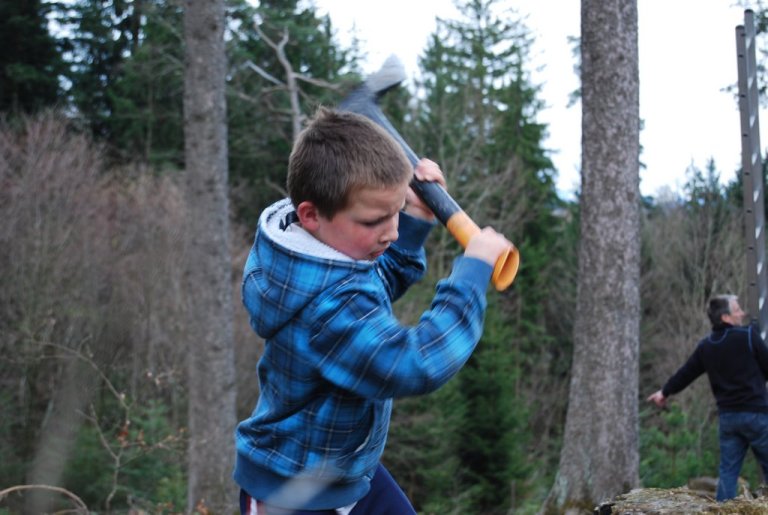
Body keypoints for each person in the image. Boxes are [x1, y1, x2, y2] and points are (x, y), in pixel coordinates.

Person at [233, 107, 512, 515]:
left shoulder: (319, 253)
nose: (392, 231)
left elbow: (376, 281)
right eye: (375, 220)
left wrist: (417, 215)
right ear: (311, 214)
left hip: (346, 470)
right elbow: (416, 362)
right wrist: (471, 276)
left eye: (396, 212)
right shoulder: (328, 306)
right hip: (293, 494)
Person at [647, 294, 768, 501]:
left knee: (728, 473)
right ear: (726, 318)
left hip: (729, 419)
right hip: (756, 415)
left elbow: (686, 373)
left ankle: (724, 511)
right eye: (737, 309)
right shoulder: (748, 336)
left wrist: (664, 392)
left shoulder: (707, 346)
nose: (743, 313)